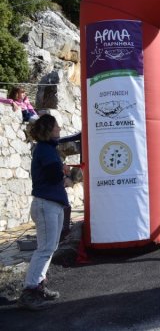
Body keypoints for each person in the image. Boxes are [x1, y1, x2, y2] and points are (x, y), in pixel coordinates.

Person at [18, 114, 72, 311]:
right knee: (45, 249)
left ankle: (38, 285)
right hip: (46, 204)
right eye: (56, 126)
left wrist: (63, 174)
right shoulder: (46, 150)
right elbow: (52, 174)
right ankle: (30, 291)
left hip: (50, 204)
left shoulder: (46, 149)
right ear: (49, 130)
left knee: (49, 247)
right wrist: (65, 172)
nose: (59, 129)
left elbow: (52, 175)